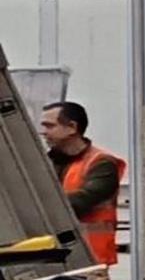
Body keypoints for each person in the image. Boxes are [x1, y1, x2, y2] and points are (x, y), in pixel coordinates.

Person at [40, 102, 119, 268]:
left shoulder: (102, 163)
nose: (43, 132)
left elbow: (82, 201)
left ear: (72, 127)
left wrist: (36, 203)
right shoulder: (46, 161)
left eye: (49, 126)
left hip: (90, 256)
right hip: (54, 255)